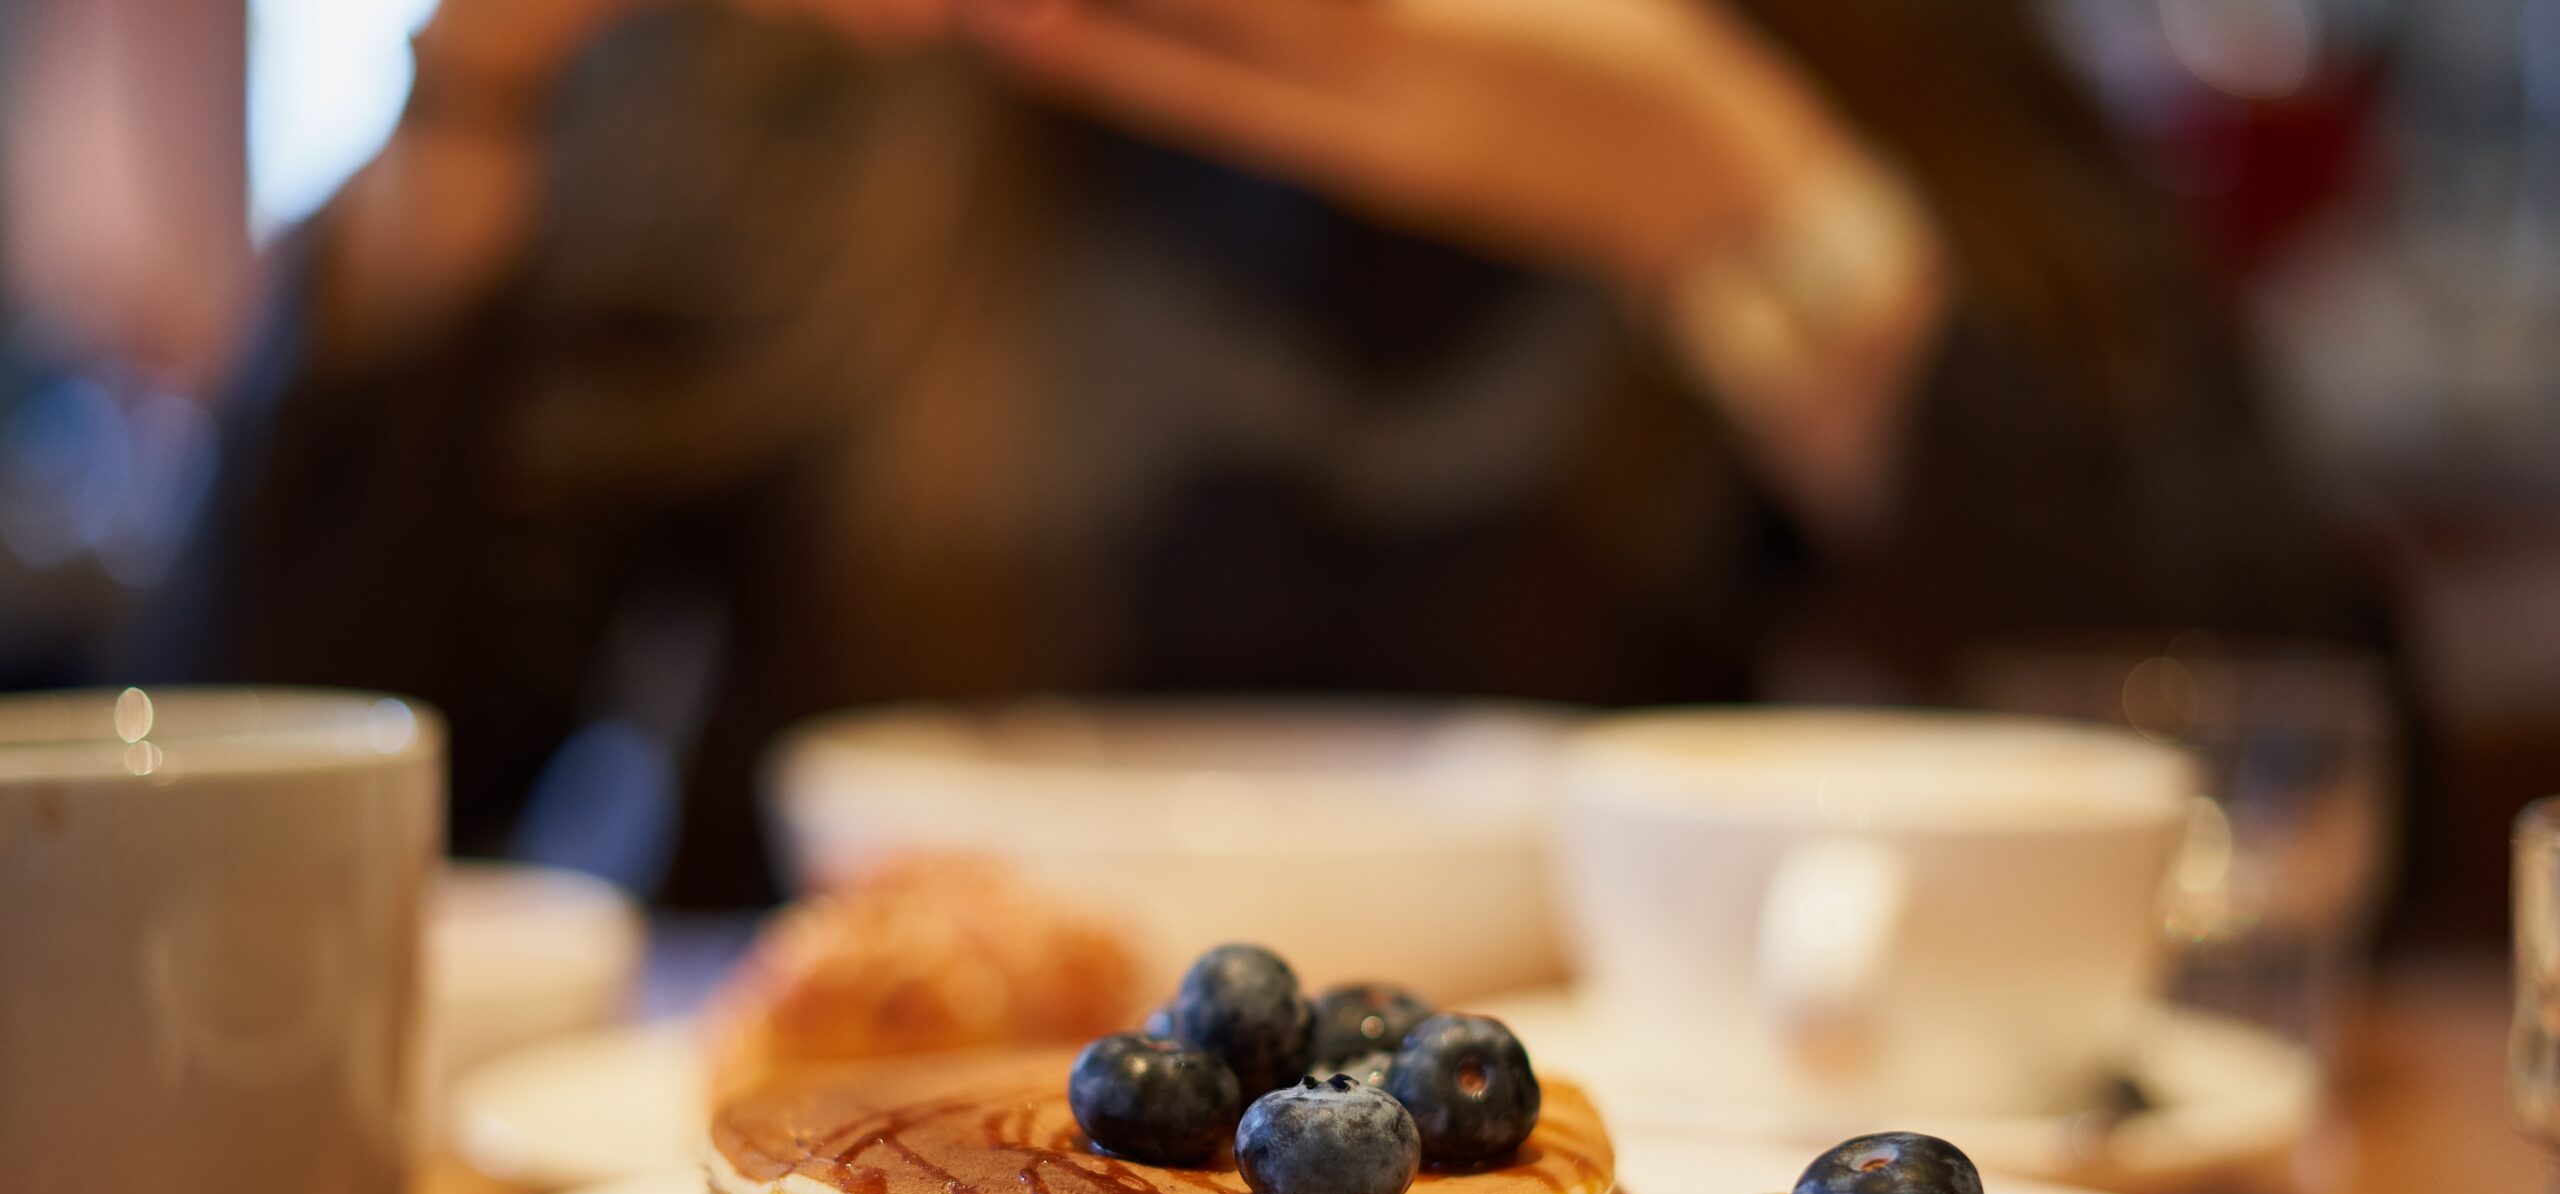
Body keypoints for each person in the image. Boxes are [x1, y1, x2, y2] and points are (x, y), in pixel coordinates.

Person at [163, 0, 2387, 901]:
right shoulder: (791, 82)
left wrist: (1749, 212)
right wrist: (470, 108)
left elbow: (2268, 762)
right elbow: (278, 812)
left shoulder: (1861, 58)